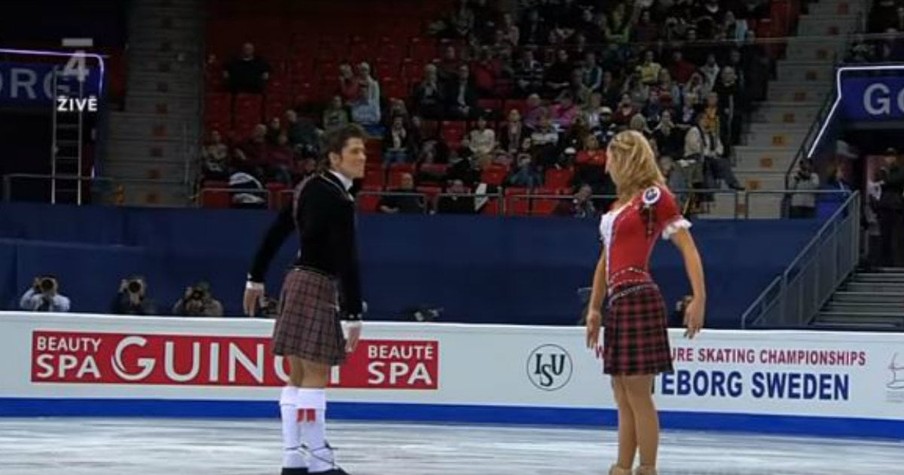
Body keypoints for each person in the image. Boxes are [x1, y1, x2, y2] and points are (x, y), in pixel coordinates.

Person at [243, 124, 367, 475]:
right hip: (317, 285)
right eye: (355, 151)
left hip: (294, 282)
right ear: (334, 157)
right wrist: (353, 311)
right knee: (316, 374)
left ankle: (293, 459)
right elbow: (347, 258)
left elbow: (276, 233)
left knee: (296, 375)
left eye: (363, 152)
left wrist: (255, 277)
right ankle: (320, 462)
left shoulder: (306, 187)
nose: (362, 158)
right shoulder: (338, 198)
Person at [584, 131, 706, 475]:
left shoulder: (653, 199)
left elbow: (688, 247)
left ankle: (647, 468)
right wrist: (594, 308)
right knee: (621, 391)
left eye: (609, 158)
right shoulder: (617, 208)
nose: (606, 165)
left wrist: (699, 297)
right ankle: (623, 466)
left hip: (638, 296)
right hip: (619, 301)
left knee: (637, 391)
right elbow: (605, 260)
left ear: (623, 159)